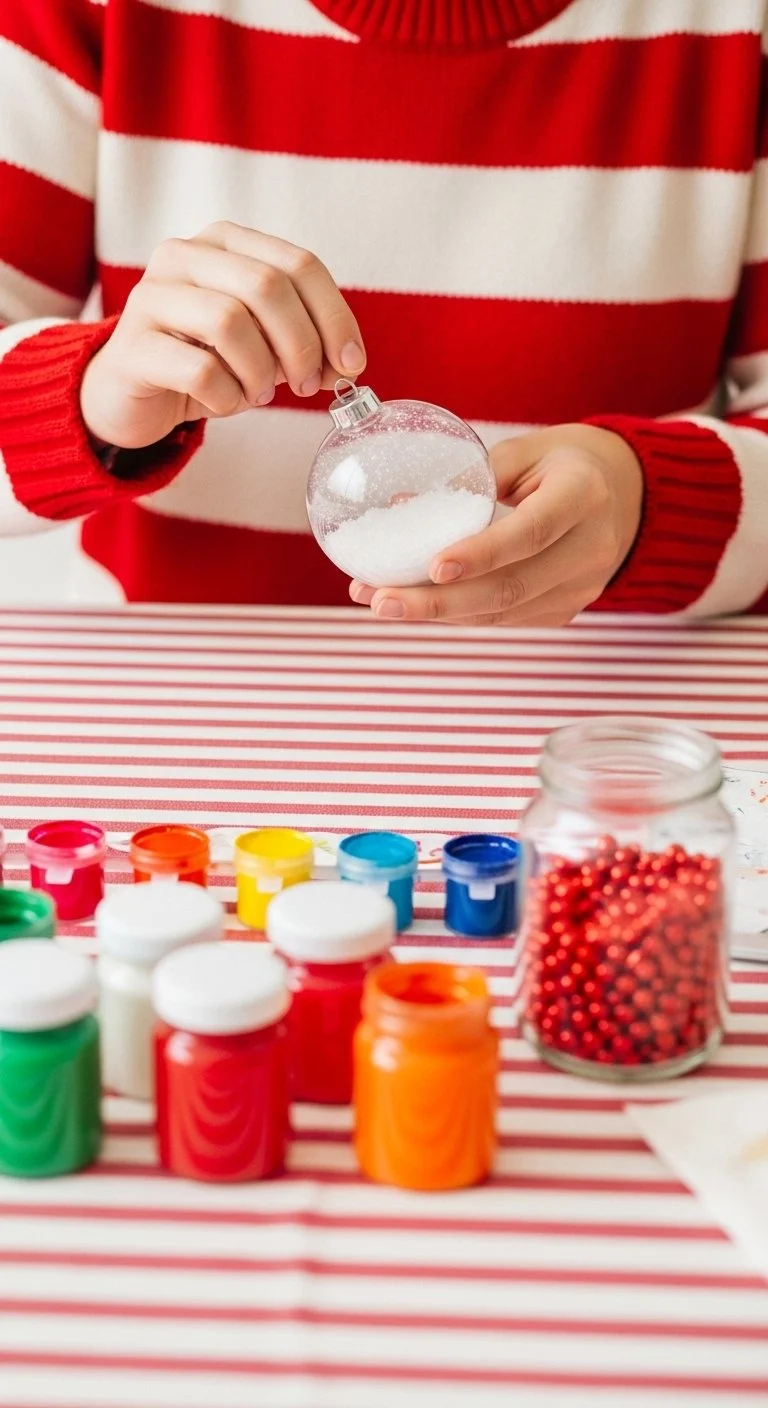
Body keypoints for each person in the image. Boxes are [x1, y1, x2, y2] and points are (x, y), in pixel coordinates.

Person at [0, 0, 766, 624]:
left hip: (608, 721)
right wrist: (91, 397)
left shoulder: (736, 28)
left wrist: (651, 503)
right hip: (182, 708)